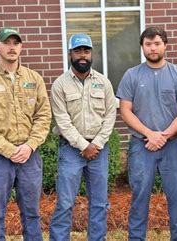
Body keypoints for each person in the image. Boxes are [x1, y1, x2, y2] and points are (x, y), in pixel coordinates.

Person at [0, 27, 51, 240]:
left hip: (29, 157)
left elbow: (43, 116)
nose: (12, 47)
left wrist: (30, 145)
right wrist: (9, 150)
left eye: (16, 43)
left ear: (21, 47)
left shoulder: (34, 79)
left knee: (32, 213)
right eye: (7, 43)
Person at [117, 26, 177, 240]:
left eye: (157, 43)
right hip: (141, 147)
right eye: (148, 44)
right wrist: (150, 134)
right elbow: (125, 110)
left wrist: (164, 136)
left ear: (165, 45)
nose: (153, 48)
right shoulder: (131, 75)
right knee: (139, 198)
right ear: (142, 47)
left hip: (173, 146)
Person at [49, 33, 117, 241]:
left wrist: (95, 144)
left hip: (99, 149)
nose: (82, 55)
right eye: (78, 51)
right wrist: (82, 145)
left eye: (86, 51)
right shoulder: (60, 85)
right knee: (66, 202)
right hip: (71, 149)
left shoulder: (103, 83)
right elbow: (62, 120)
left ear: (91, 54)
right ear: (70, 54)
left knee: (99, 202)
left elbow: (110, 116)